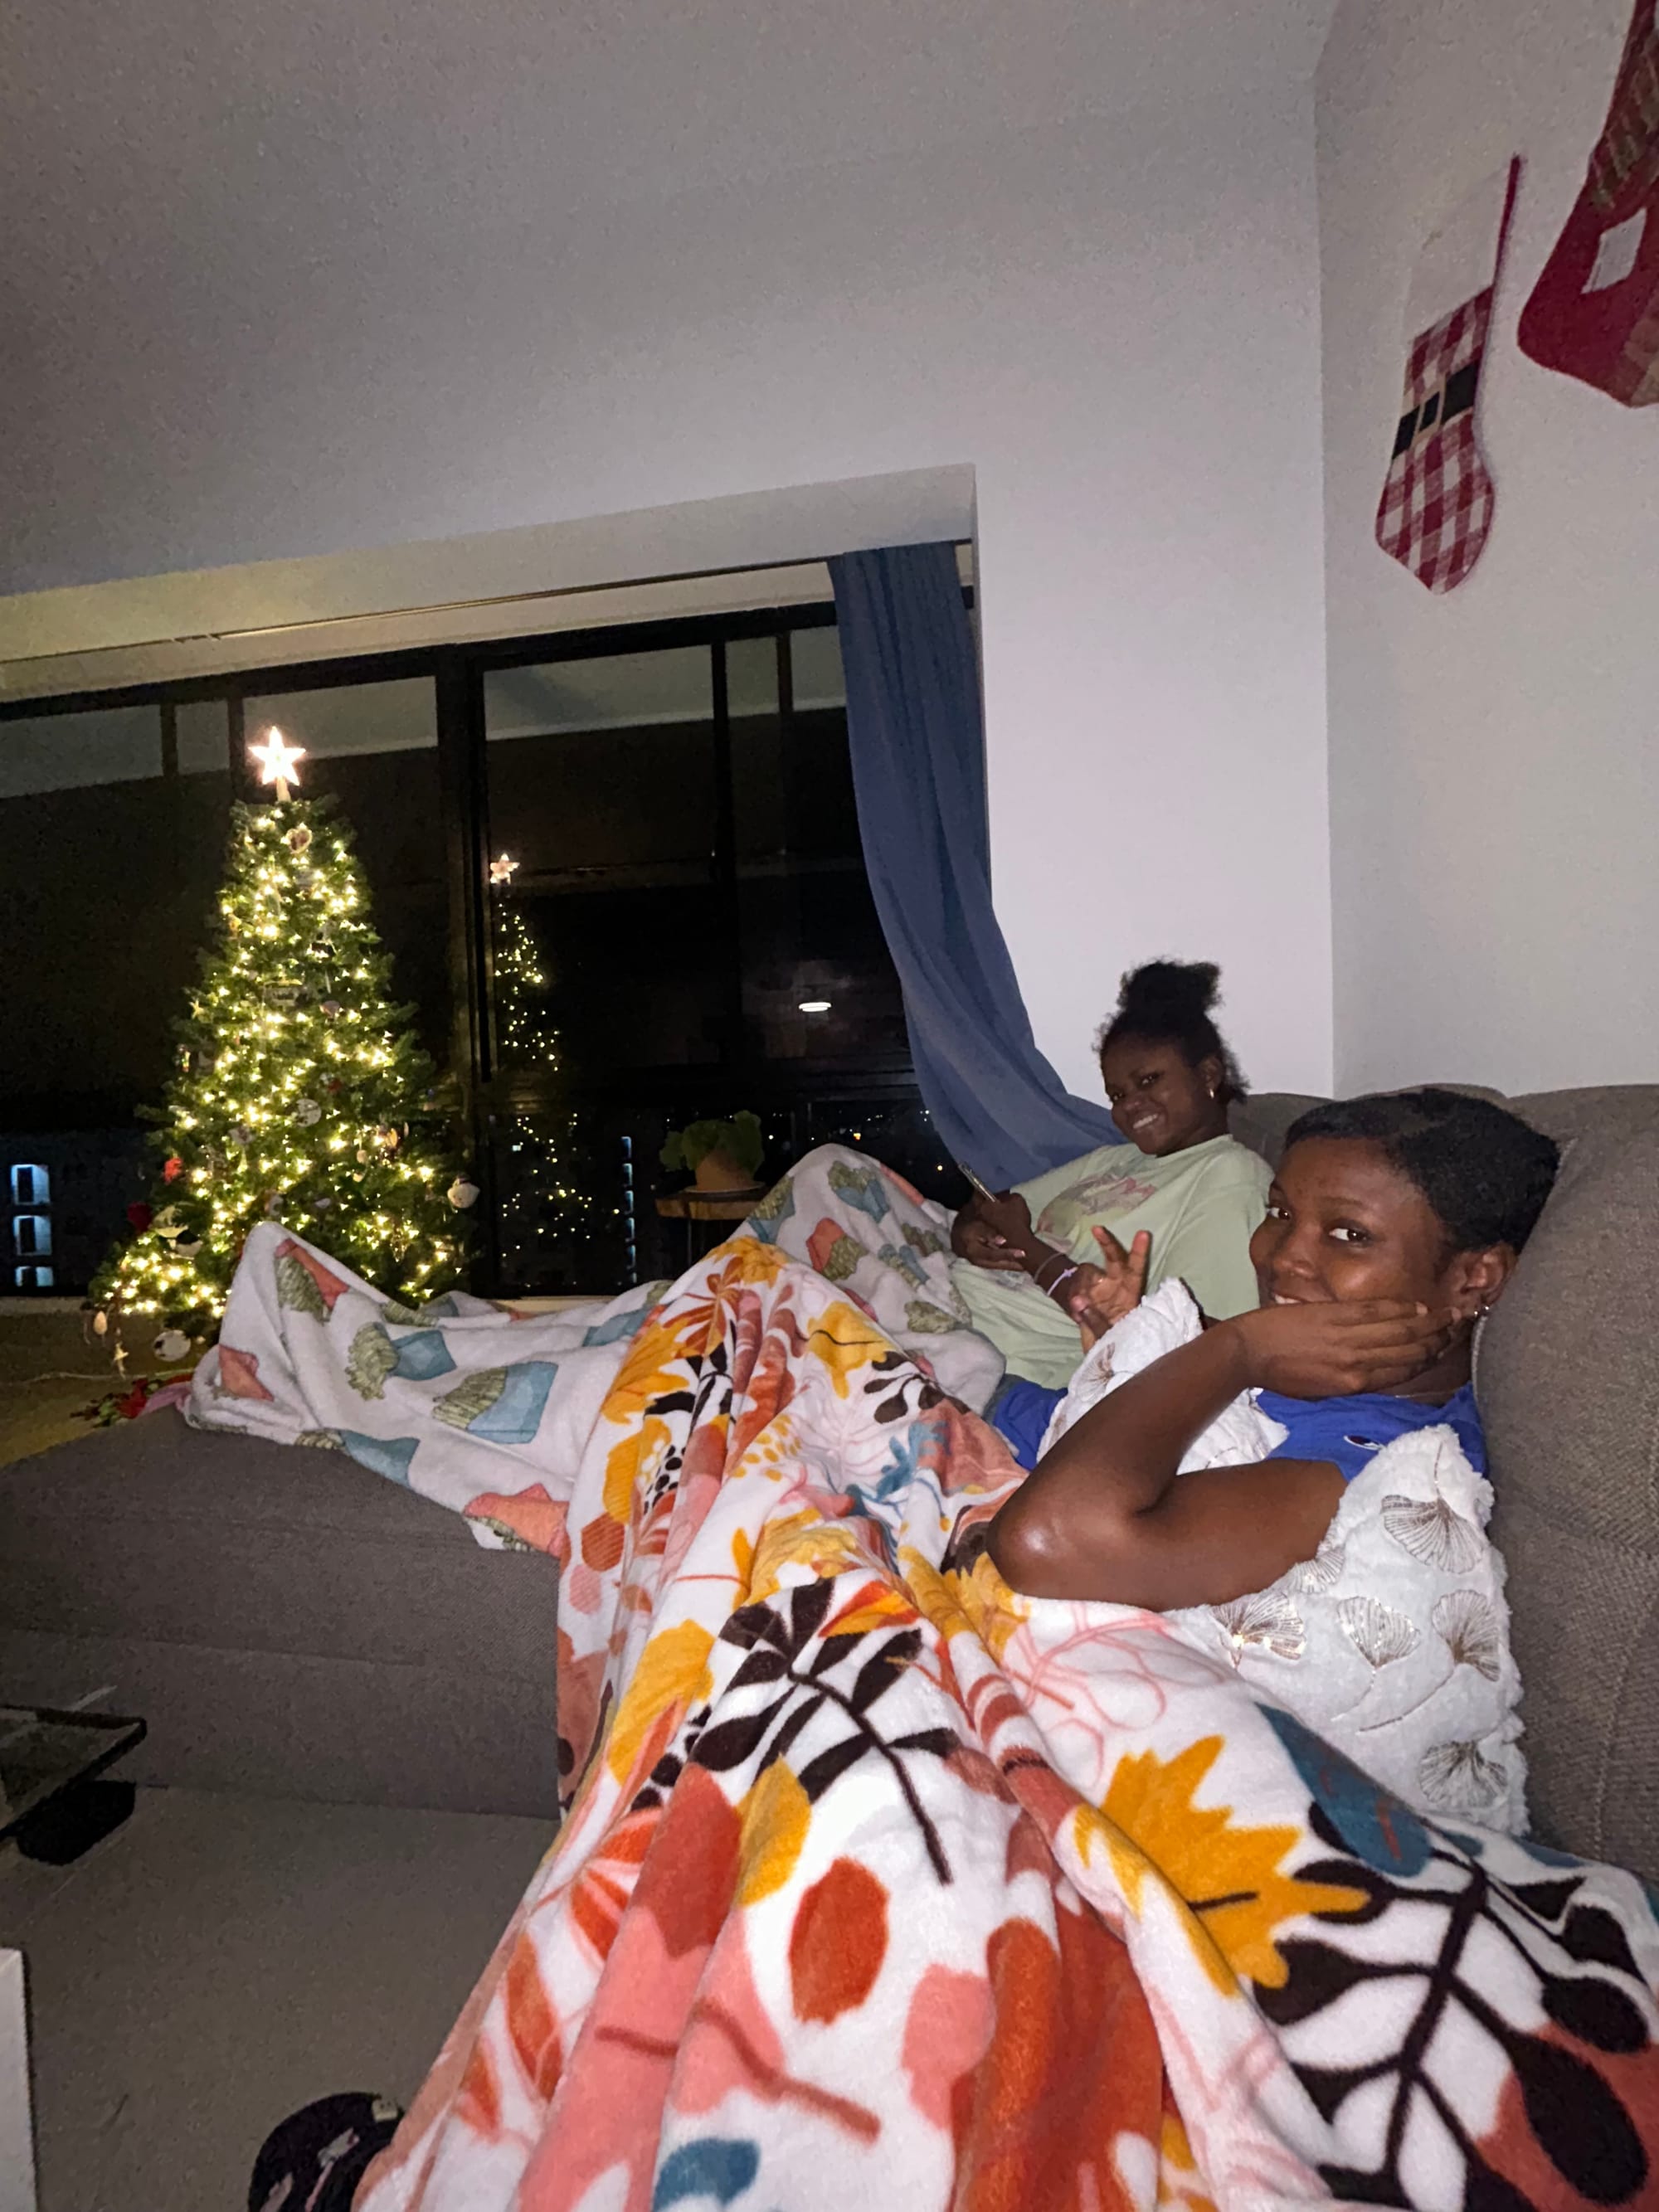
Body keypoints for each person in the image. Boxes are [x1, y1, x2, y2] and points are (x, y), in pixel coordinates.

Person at [985, 1088, 1560, 1610]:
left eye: (1349, 1234)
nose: (1281, 1257)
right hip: (987, 1413)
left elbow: (1048, 1540)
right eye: (1280, 1213)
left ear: (1475, 1279)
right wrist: (1141, 1338)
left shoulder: (1382, 1470)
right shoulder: (1305, 1363)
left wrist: (1241, 1348)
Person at [951, 960, 1272, 1420]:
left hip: (1003, 1352)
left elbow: (1185, 1333)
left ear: (1208, 1075)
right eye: (1117, 1095)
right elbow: (993, 1203)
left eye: (1149, 1081)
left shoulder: (1229, 1174)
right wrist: (964, 1232)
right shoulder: (1114, 1159)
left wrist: (1022, 1242)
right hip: (950, 1295)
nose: (1131, 1105)